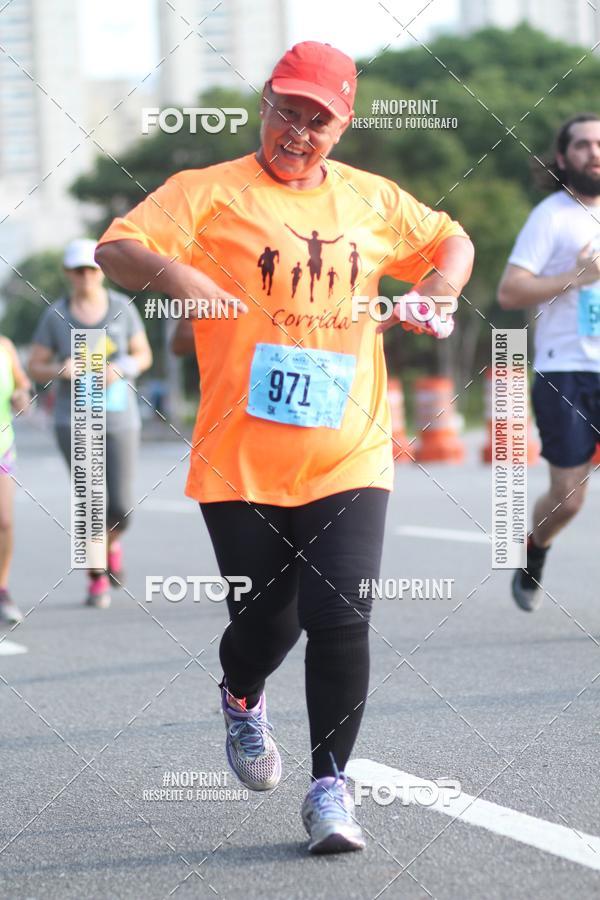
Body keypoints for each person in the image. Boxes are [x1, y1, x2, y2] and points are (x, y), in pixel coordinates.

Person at [94, 41, 473, 854]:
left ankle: (330, 789)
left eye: (318, 120)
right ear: (263, 102)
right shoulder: (207, 191)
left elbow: (452, 240)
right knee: (266, 621)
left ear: (343, 127)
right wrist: (183, 279)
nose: (298, 131)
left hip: (349, 450)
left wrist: (437, 291)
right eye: (287, 111)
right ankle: (240, 696)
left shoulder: (371, 200)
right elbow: (116, 249)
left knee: (342, 614)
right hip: (240, 456)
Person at [498, 114, 600, 612]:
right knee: (569, 497)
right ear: (563, 158)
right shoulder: (552, 216)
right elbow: (510, 291)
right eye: (582, 145)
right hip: (566, 371)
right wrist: (575, 278)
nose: (595, 153)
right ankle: (536, 549)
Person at [28, 239, 152, 609]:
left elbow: (142, 354)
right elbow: (36, 365)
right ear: (68, 273)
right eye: (78, 270)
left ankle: (112, 545)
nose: (86, 276)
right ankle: (96, 577)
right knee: (90, 501)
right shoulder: (55, 316)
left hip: (118, 417)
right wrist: (58, 370)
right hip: (74, 419)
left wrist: (122, 368)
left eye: (92, 269)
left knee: (123, 506)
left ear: (102, 272)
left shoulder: (122, 308)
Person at [0, 337, 31, 625]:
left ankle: (2, 589)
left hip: (2, 445)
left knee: (4, 521)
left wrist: (22, 396)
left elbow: (21, 385)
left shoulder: (6, 346)